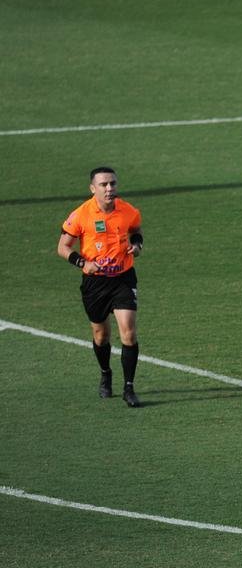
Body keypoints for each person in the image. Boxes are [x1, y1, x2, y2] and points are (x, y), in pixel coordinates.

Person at [57, 167, 146, 406]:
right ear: (92, 188)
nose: (110, 189)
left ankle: (129, 388)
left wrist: (137, 246)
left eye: (113, 184)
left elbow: (136, 231)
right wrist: (82, 263)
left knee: (128, 332)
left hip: (123, 279)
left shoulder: (128, 211)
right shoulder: (81, 214)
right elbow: (63, 247)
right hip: (95, 284)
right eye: (104, 185)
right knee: (101, 334)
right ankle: (106, 374)